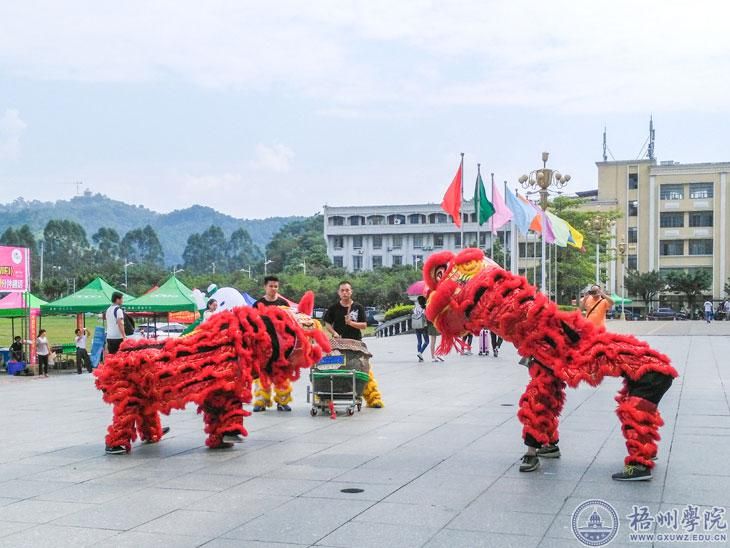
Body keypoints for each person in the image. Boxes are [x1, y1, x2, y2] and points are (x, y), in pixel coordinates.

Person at [324, 281, 383, 407]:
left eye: (347, 290)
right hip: (339, 346)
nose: (345, 293)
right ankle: (325, 397)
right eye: (342, 290)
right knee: (333, 369)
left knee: (364, 370)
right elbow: (327, 323)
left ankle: (373, 398)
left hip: (356, 346)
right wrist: (333, 332)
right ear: (338, 292)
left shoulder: (358, 307)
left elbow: (364, 325)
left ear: (351, 291)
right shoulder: (333, 308)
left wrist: (351, 323)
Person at [252, 276, 293, 413]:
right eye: (271, 286)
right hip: (263, 346)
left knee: (281, 373)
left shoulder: (283, 304)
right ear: (265, 287)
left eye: (276, 286)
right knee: (262, 373)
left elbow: (290, 324)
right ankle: (261, 401)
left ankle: (283, 401)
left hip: (281, 346)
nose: (274, 289)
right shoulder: (258, 304)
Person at [412, 296, 429, 362]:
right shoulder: (425, 308)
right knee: (427, 341)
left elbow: (414, 314)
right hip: (423, 327)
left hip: (417, 326)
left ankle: (420, 358)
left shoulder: (415, 308)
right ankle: (420, 352)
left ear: (418, 302)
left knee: (419, 342)